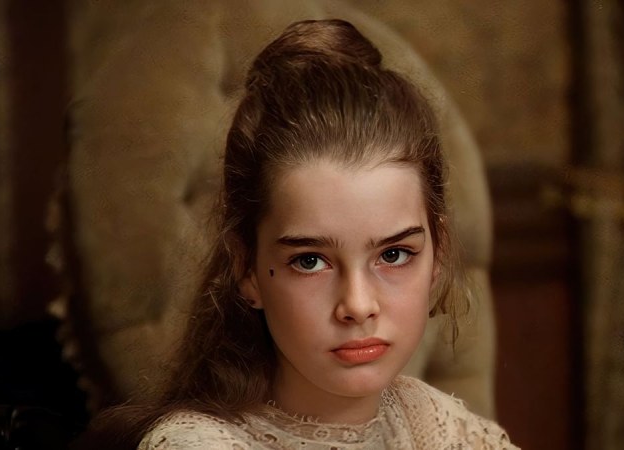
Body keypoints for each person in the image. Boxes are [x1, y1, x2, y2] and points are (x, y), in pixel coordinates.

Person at [75, 18, 517, 449]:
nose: (357, 305)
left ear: (438, 252)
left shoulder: (448, 431)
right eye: (310, 261)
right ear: (246, 267)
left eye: (394, 254)